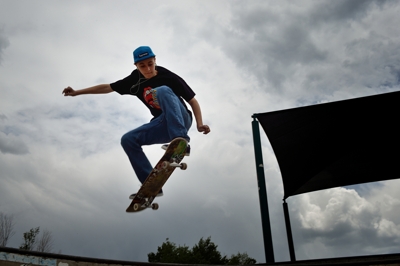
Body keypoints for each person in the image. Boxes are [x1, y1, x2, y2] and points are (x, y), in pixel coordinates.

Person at [62, 46, 210, 198]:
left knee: (163, 90)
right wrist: (77, 92)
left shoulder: (168, 76)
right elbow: (108, 87)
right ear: (136, 66)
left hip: (181, 120)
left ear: (155, 61)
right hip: (162, 124)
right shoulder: (134, 79)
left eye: (150, 64)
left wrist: (199, 124)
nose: (147, 69)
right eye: (142, 66)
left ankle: (181, 142)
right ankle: (151, 184)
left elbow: (193, 101)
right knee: (128, 139)